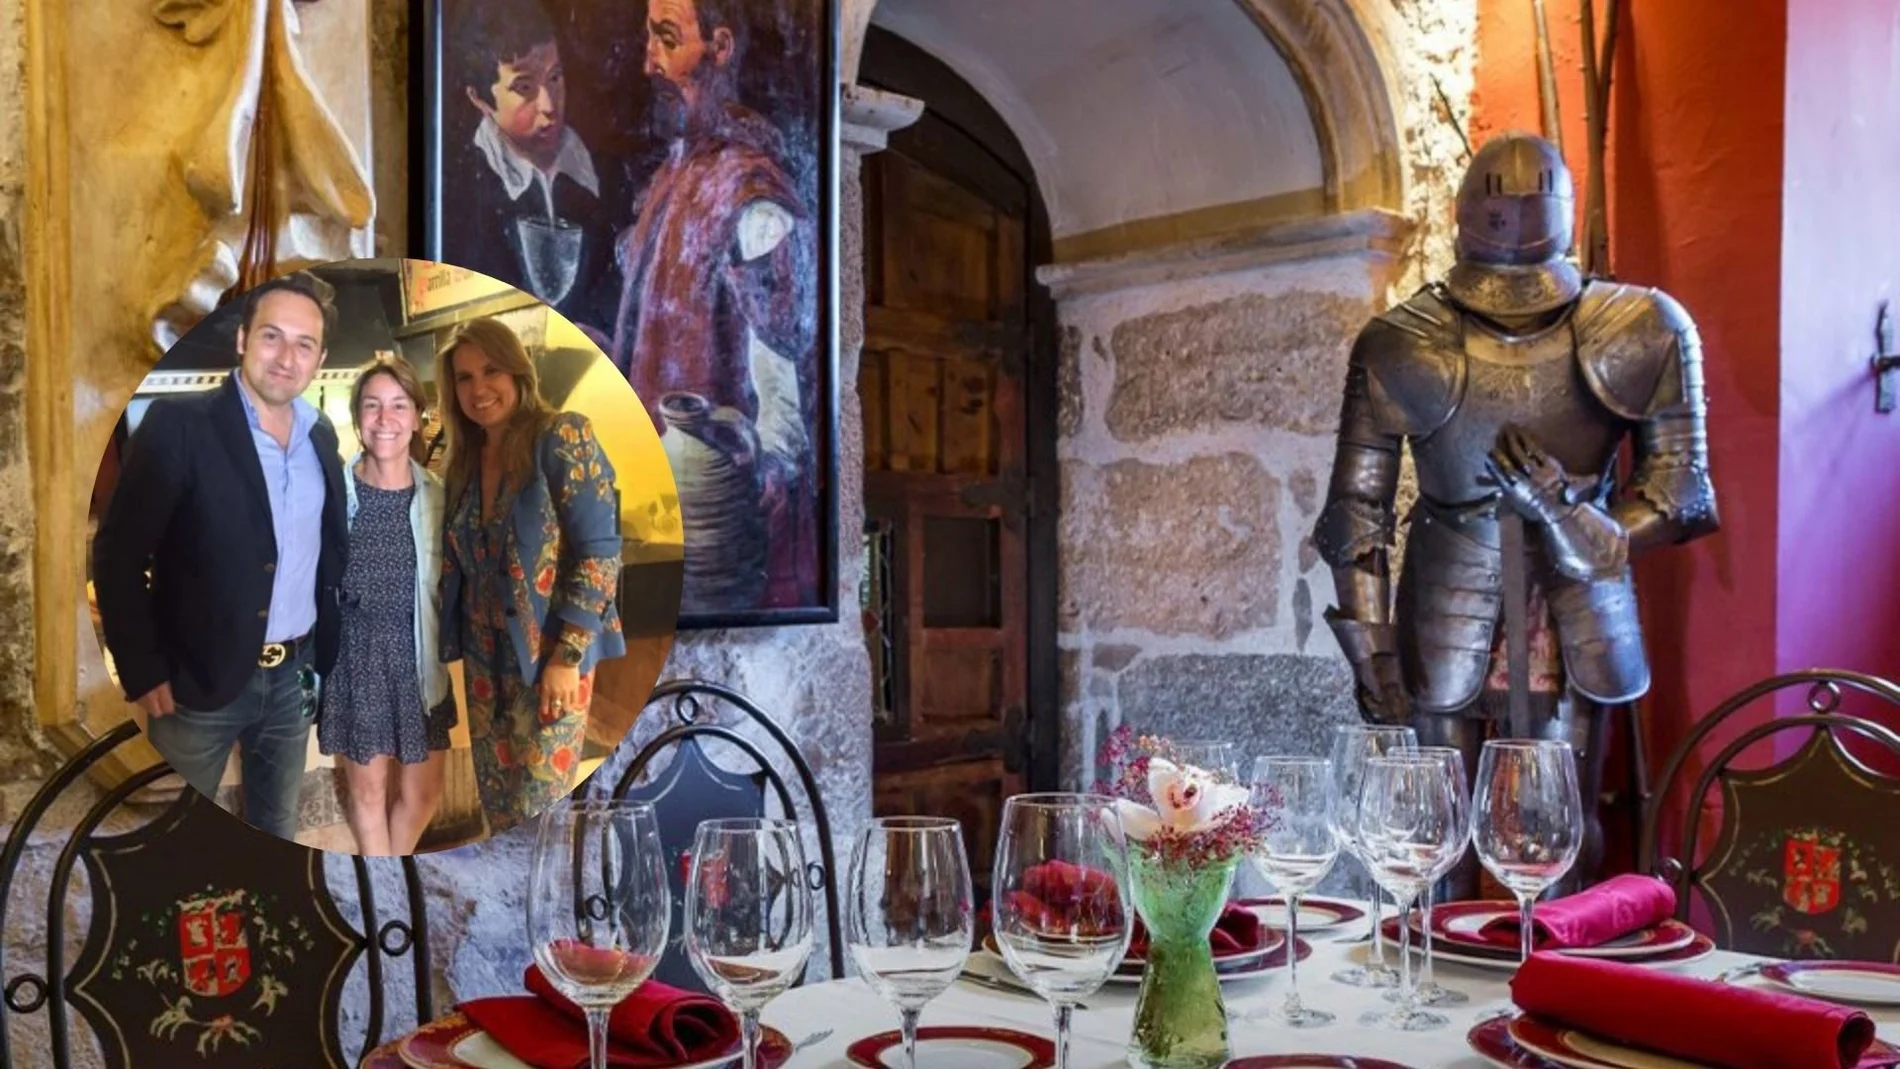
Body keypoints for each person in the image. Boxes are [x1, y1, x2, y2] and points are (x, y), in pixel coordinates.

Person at [1312, 132, 1720, 897]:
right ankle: (1439, 983)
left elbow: (1683, 490)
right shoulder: (1404, 339)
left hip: (1580, 592)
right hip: (1449, 585)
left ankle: (1553, 980)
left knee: (1557, 825)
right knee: (1434, 832)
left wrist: (1573, 515)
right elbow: (1354, 514)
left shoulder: (1644, 325)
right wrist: (1372, 656)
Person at [92, 271, 350, 842]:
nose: (286, 358)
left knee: (276, 828)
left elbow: (327, 550)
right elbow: (117, 555)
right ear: (242, 340)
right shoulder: (180, 425)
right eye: (271, 337)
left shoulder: (323, 435)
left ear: (321, 357)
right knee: (173, 837)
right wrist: (141, 666)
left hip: (292, 682)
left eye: (304, 344)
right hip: (194, 683)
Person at [606, 0, 819, 610]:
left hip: (716, 537)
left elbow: (779, 376)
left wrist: (758, 478)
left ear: (720, 48)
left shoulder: (751, 193)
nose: (649, 63)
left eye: (667, 39)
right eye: (647, 38)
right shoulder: (677, 174)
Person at [435, 316, 627, 833]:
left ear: (518, 371)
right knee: (498, 812)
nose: (479, 389)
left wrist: (567, 657)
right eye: (464, 377)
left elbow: (600, 551)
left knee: (542, 813)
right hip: (483, 664)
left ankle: (551, 908)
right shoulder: (462, 462)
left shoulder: (561, 435)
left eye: (490, 371)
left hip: (548, 660)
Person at [317, 356, 457, 856]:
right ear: (358, 418)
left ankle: (393, 873)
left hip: (420, 661)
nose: (385, 419)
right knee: (368, 791)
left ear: (418, 417)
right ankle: (386, 893)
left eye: (399, 406)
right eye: (373, 406)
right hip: (356, 662)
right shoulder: (333, 494)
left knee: (423, 794)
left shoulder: (439, 498)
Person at [445, 0, 630, 333]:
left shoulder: (607, 176)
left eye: (555, 78)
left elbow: (623, 283)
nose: (548, 105)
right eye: (525, 88)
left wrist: (595, 330)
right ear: (480, 99)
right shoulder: (460, 186)